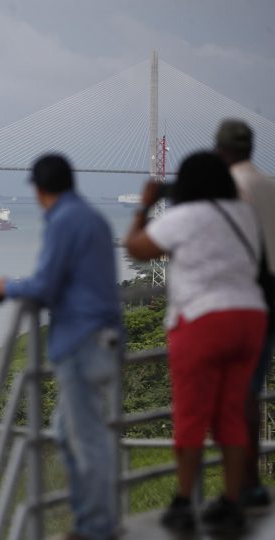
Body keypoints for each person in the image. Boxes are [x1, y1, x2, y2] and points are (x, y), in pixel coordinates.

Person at [0, 154, 122, 540]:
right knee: (71, 434)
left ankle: (97, 528)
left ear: (39, 190)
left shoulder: (65, 221)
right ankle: (92, 523)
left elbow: (46, 285)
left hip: (83, 341)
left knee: (84, 441)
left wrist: (0, 288)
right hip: (101, 336)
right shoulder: (92, 218)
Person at [125, 151, 266, 534]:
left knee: (191, 416)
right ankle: (233, 502)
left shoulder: (183, 217)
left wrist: (145, 205)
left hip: (203, 322)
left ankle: (185, 501)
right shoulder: (244, 216)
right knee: (232, 414)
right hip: (250, 320)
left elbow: (136, 247)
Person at [216, 119, 275, 508]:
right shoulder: (270, 186)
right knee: (248, 394)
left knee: (232, 398)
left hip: (242, 301)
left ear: (221, 151)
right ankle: (249, 483)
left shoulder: (229, 190)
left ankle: (239, 488)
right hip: (270, 298)